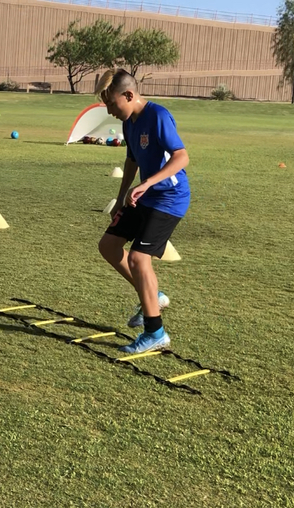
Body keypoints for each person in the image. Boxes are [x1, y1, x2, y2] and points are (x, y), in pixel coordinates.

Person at [96, 70, 191, 355]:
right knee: (108, 245)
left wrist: (147, 183)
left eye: (112, 104)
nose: (110, 111)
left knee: (139, 258)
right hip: (143, 196)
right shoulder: (129, 124)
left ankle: (155, 333)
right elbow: (132, 160)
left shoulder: (158, 116)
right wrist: (121, 196)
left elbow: (182, 157)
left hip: (170, 198)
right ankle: (152, 295)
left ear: (128, 95)